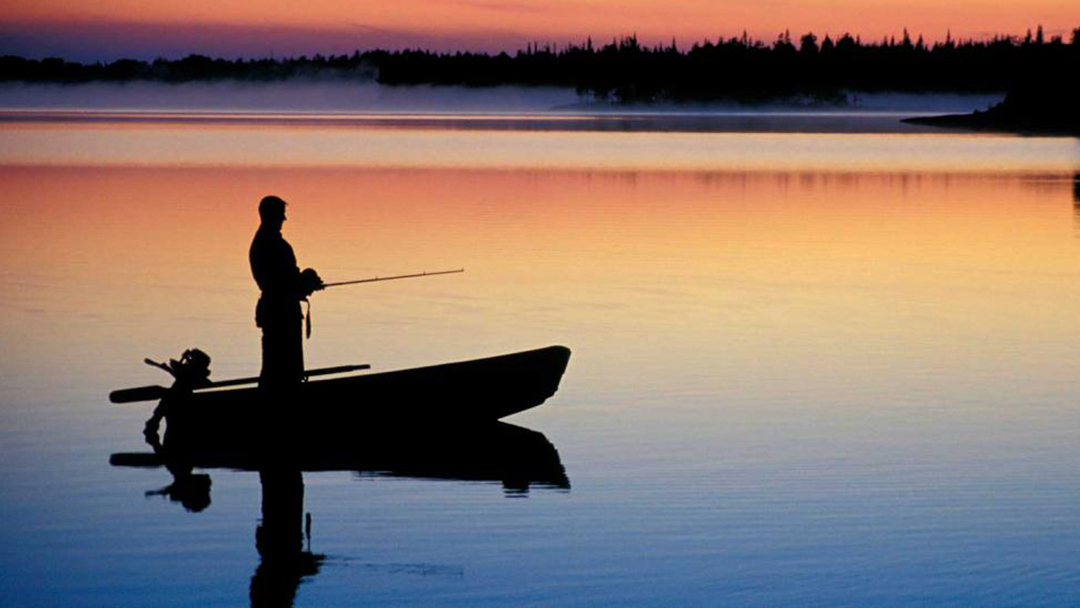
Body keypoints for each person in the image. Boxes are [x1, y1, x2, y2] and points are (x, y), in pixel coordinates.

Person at [249, 196, 323, 389]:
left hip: (276, 310)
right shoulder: (272, 244)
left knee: (277, 367)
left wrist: (304, 283)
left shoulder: (264, 242)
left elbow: (284, 280)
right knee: (282, 368)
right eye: (281, 215)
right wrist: (306, 283)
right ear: (273, 215)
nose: (284, 219)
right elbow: (283, 282)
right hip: (281, 313)